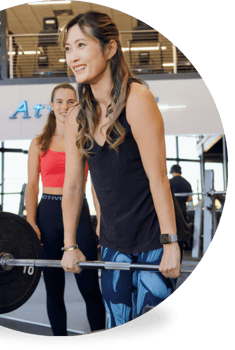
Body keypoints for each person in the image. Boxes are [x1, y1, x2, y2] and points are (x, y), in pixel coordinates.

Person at [59, 11, 185, 328]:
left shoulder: (137, 99)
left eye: (81, 45)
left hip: (154, 239)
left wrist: (171, 244)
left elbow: (158, 177)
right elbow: (73, 187)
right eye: (68, 49)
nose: (73, 57)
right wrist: (70, 245)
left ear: (110, 48)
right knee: (117, 323)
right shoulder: (76, 117)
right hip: (114, 242)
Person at [26, 82, 106, 336]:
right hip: (47, 213)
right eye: (59, 101)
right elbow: (31, 186)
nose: (64, 106)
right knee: (54, 287)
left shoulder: (85, 140)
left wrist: (101, 219)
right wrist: (31, 222)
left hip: (79, 212)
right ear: (51, 106)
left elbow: (95, 186)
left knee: (89, 285)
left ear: (78, 105)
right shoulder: (39, 143)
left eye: (71, 101)